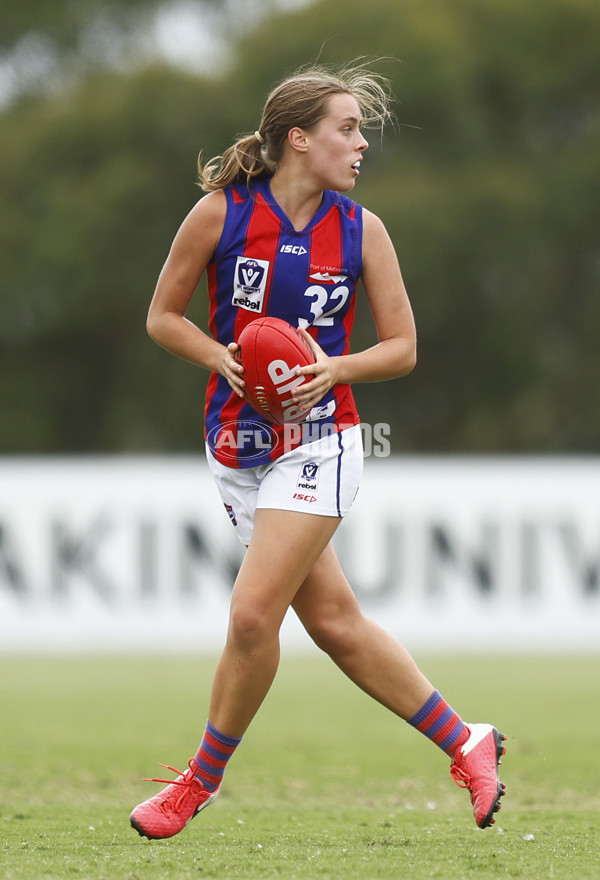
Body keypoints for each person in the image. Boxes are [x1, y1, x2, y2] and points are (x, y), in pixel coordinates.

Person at [129, 62, 506, 840]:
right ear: (298, 139)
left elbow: (401, 347)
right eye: (347, 128)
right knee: (334, 622)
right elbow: (163, 318)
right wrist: (214, 354)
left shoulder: (361, 230)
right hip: (236, 446)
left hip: (324, 440)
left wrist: (338, 367)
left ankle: (196, 783)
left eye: (360, 130)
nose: (361, 143)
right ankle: (466, 740)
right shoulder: (219, 215)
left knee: (251, 614)